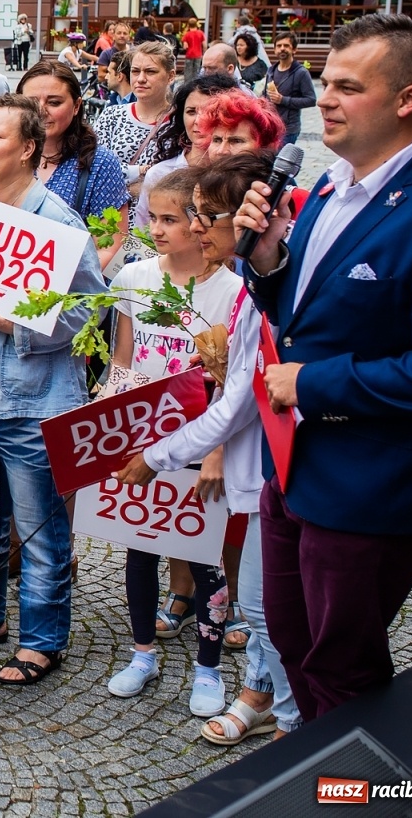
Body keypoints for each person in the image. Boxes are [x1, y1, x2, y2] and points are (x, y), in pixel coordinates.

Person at [236, 13, 412, 721]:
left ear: (408, 99)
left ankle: (357, 792)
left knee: (343, 665)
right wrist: (265, 260)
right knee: (292, 639)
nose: (326, 100)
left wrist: (312, 382)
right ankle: (322, 770)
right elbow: (304, 310)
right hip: (296, 469)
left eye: (349, 87)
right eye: (326, 83)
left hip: (375, 484)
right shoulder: (329, 185)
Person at [117, 151, 302, 746]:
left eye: (205, 217)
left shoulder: (241, 290)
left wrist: (159, 456)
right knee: (255, 597)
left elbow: (235, 402)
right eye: (188, 216)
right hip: (230, 460)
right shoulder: (240, 284)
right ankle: (274, 706)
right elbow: (126, 358)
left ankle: (290, 721)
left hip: (254, 463)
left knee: (258, 599)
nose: (194, 229)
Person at [0, 93, 106, 686]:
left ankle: (43, 640)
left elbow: (91, 312)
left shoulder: (57, 223)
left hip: (31, 399)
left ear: (30, 149)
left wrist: (19, 325)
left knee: (39, 529)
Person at [99, 166, 240, 717]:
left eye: (169, 219)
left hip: (200, 441)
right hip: (142, 440)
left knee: (205, 559)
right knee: (141, 547)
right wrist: (110, 429)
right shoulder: (135, 279)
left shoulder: (229, 291)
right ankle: (142, 653)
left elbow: (231, 381)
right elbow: (124, 358)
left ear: (199, 223)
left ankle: (208, 667)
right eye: (150, 217)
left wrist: (216, 450)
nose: (155, 229)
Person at [18, 60, 131, 269]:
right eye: (31, 102)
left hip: (68, 292)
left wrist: (58, 284)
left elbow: (110, 245)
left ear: (77, 105)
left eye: (54, 102)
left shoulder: (100, 164)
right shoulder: (9, 155)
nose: (41, 110)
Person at [134, 72, 244, 232]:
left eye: (209, 111)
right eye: (191, 111)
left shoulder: (242, 175)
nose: (198, 121)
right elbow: (142, 234)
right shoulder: (159, 174)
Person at [95, 40, 176, 212]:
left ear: (171, 76)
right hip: (110, 224)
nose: (141, 79)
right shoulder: (112, 116)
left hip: (155, 225)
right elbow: (93, 167)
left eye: (150, 71)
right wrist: (139, 171)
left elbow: (176, 179)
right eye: (135, 71)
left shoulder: (179, 123)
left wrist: (123, 180)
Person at [265, 31, 315, 146]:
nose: (282, 49)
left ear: (294, 50)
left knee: (281, 162)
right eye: (279, 46)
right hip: (270, 125)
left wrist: (283, 100)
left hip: (288, 129)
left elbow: (311, 100)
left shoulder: (301, 73)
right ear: (274, 50)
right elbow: (265, 94)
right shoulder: (271, 71)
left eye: (286, 46)